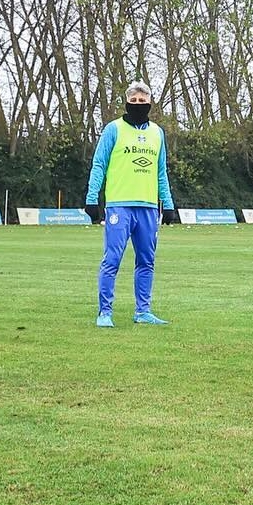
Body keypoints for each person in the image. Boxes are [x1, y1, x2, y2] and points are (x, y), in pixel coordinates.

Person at [84, 81, 179, 327]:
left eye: (143, 101)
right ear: (126, 102)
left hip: (148, 207)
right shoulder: (113, 129)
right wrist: (92, 198)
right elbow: (99, 164)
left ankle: (143, 311)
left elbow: (161, 171)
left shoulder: (157, 133)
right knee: (112, 259)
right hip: (119, 205)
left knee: (147, 261)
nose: (138, 104)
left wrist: (168, 204)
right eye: (134, 101)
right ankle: (105, 312)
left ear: (150, 103)